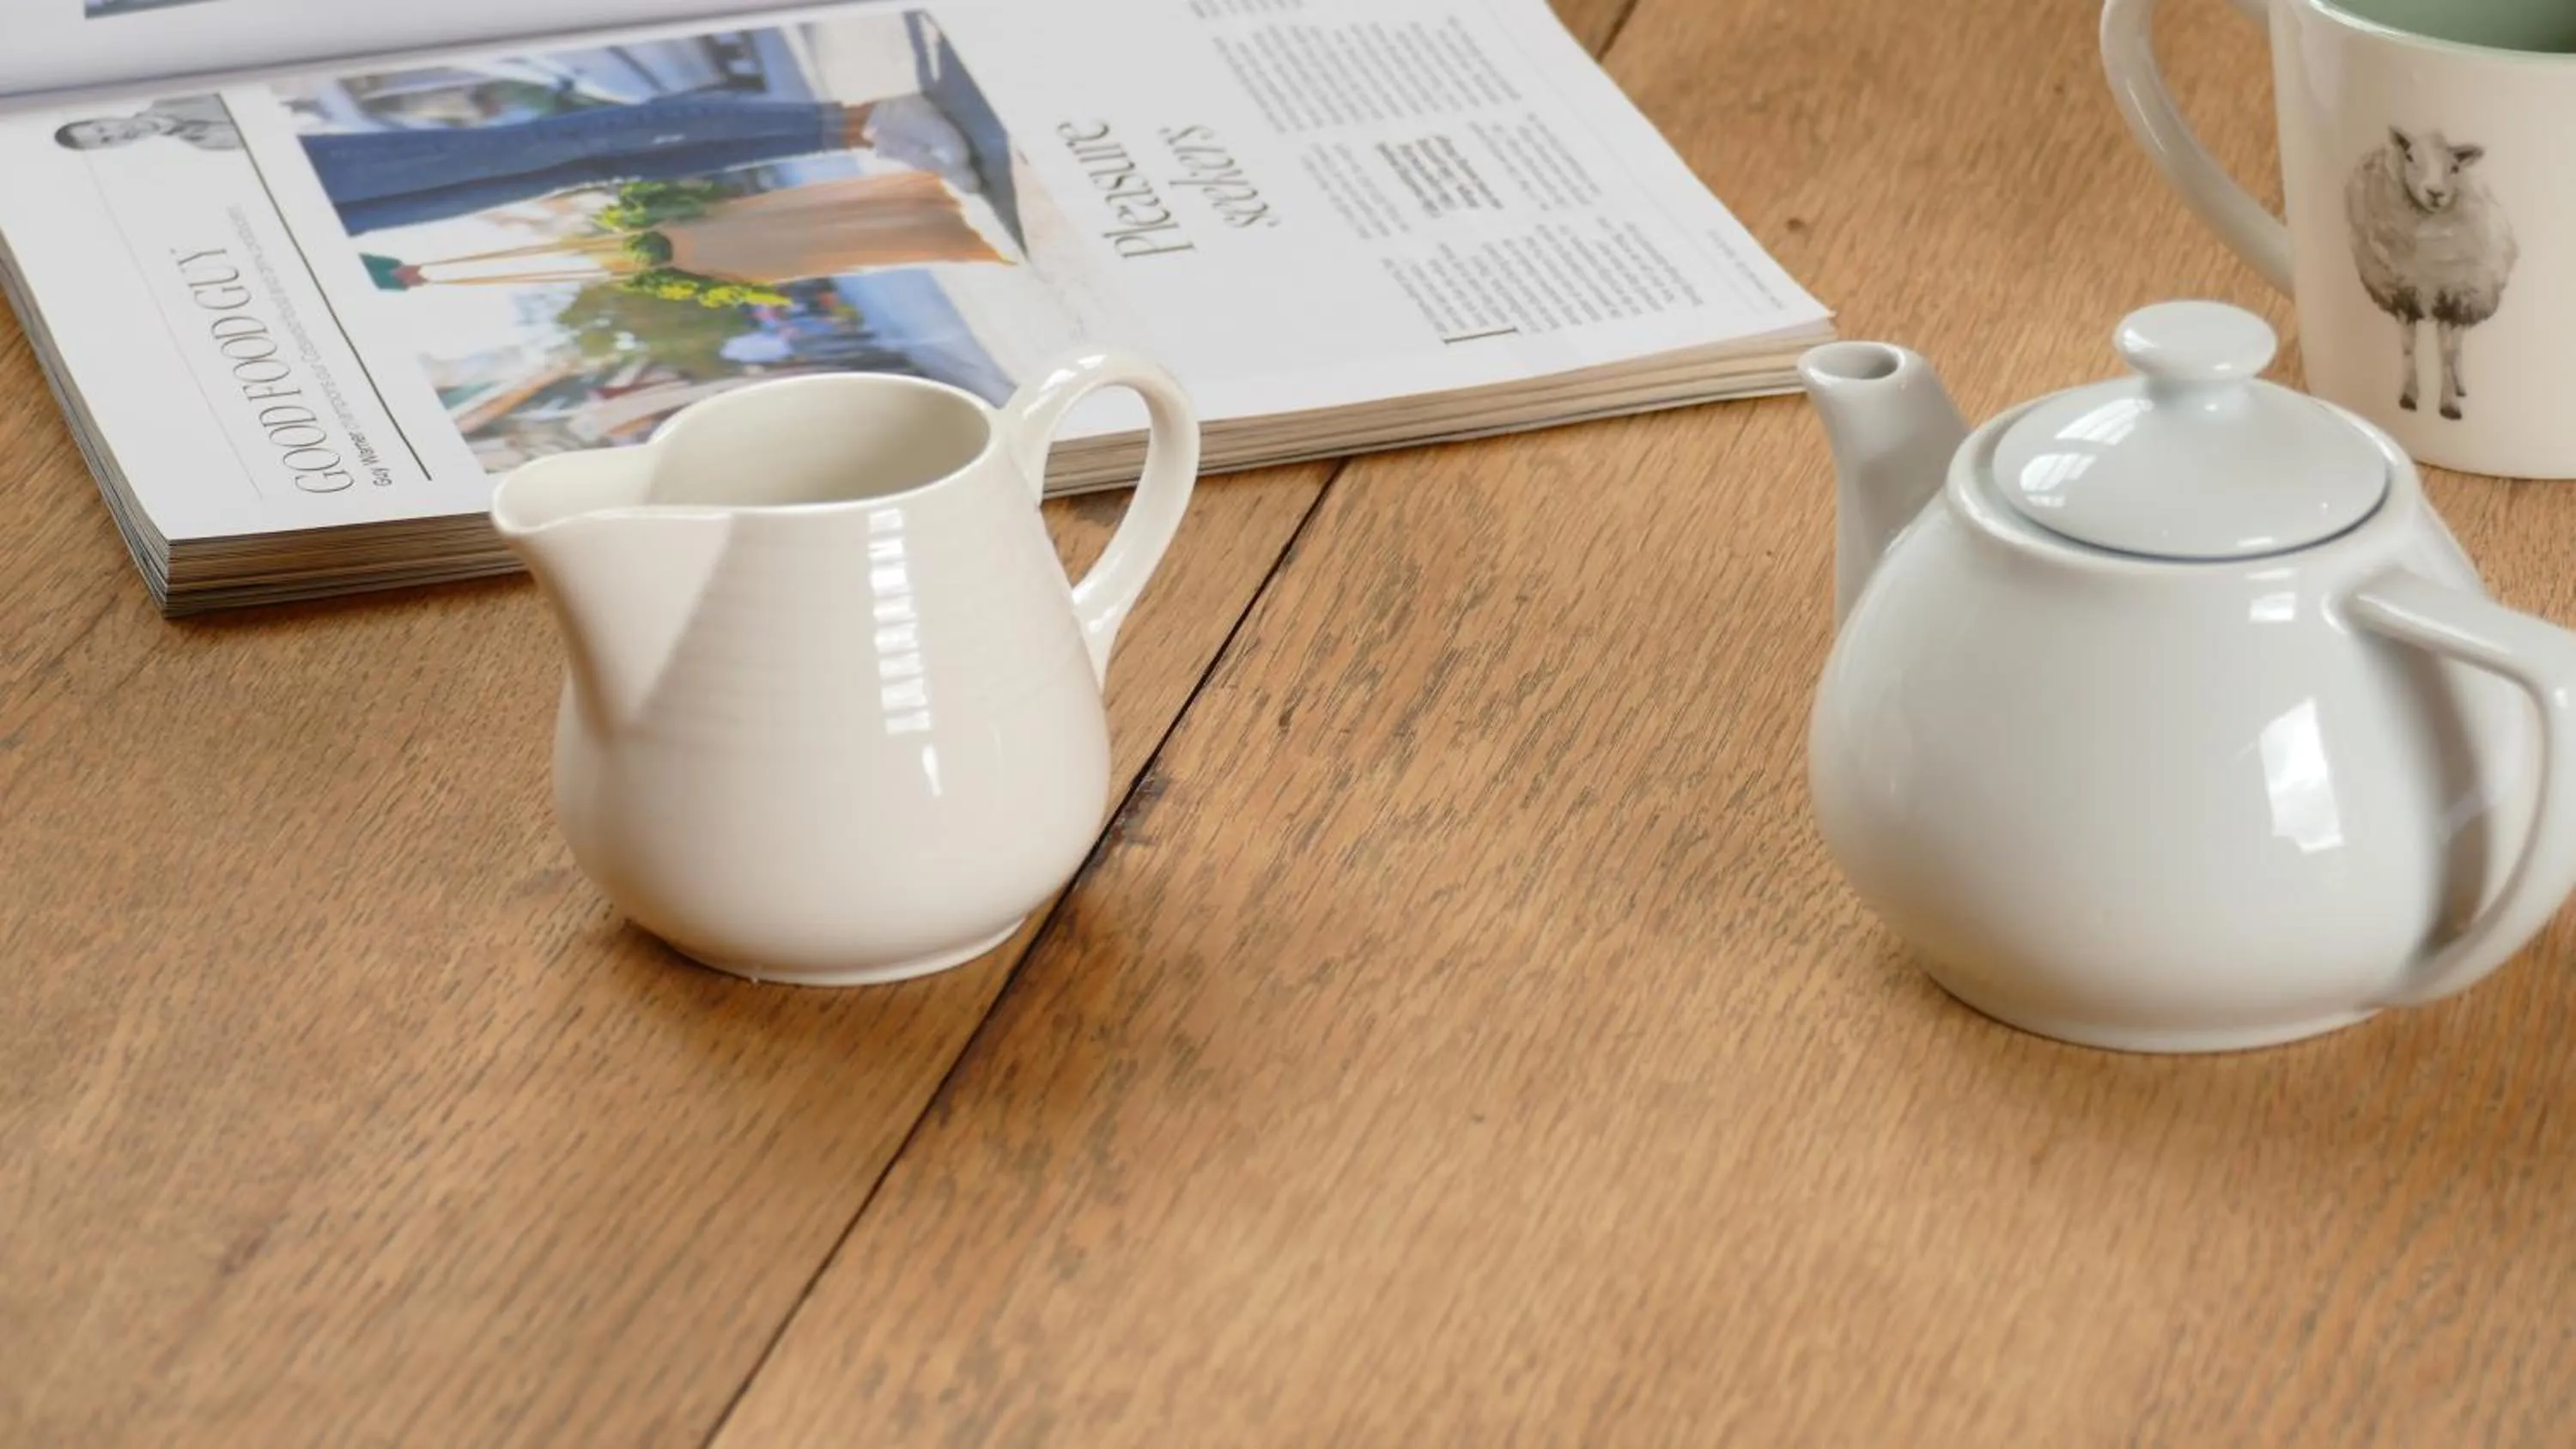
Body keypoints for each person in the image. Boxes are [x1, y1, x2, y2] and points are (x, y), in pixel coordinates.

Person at [53, 91, 981, 235]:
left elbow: (248, 114)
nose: (103, 141)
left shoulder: (171, 118)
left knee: (578, 138)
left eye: (94, 135)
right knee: (573, 170)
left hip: (322, 171)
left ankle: (861, 111)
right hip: (329, 223)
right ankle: (856, 134)